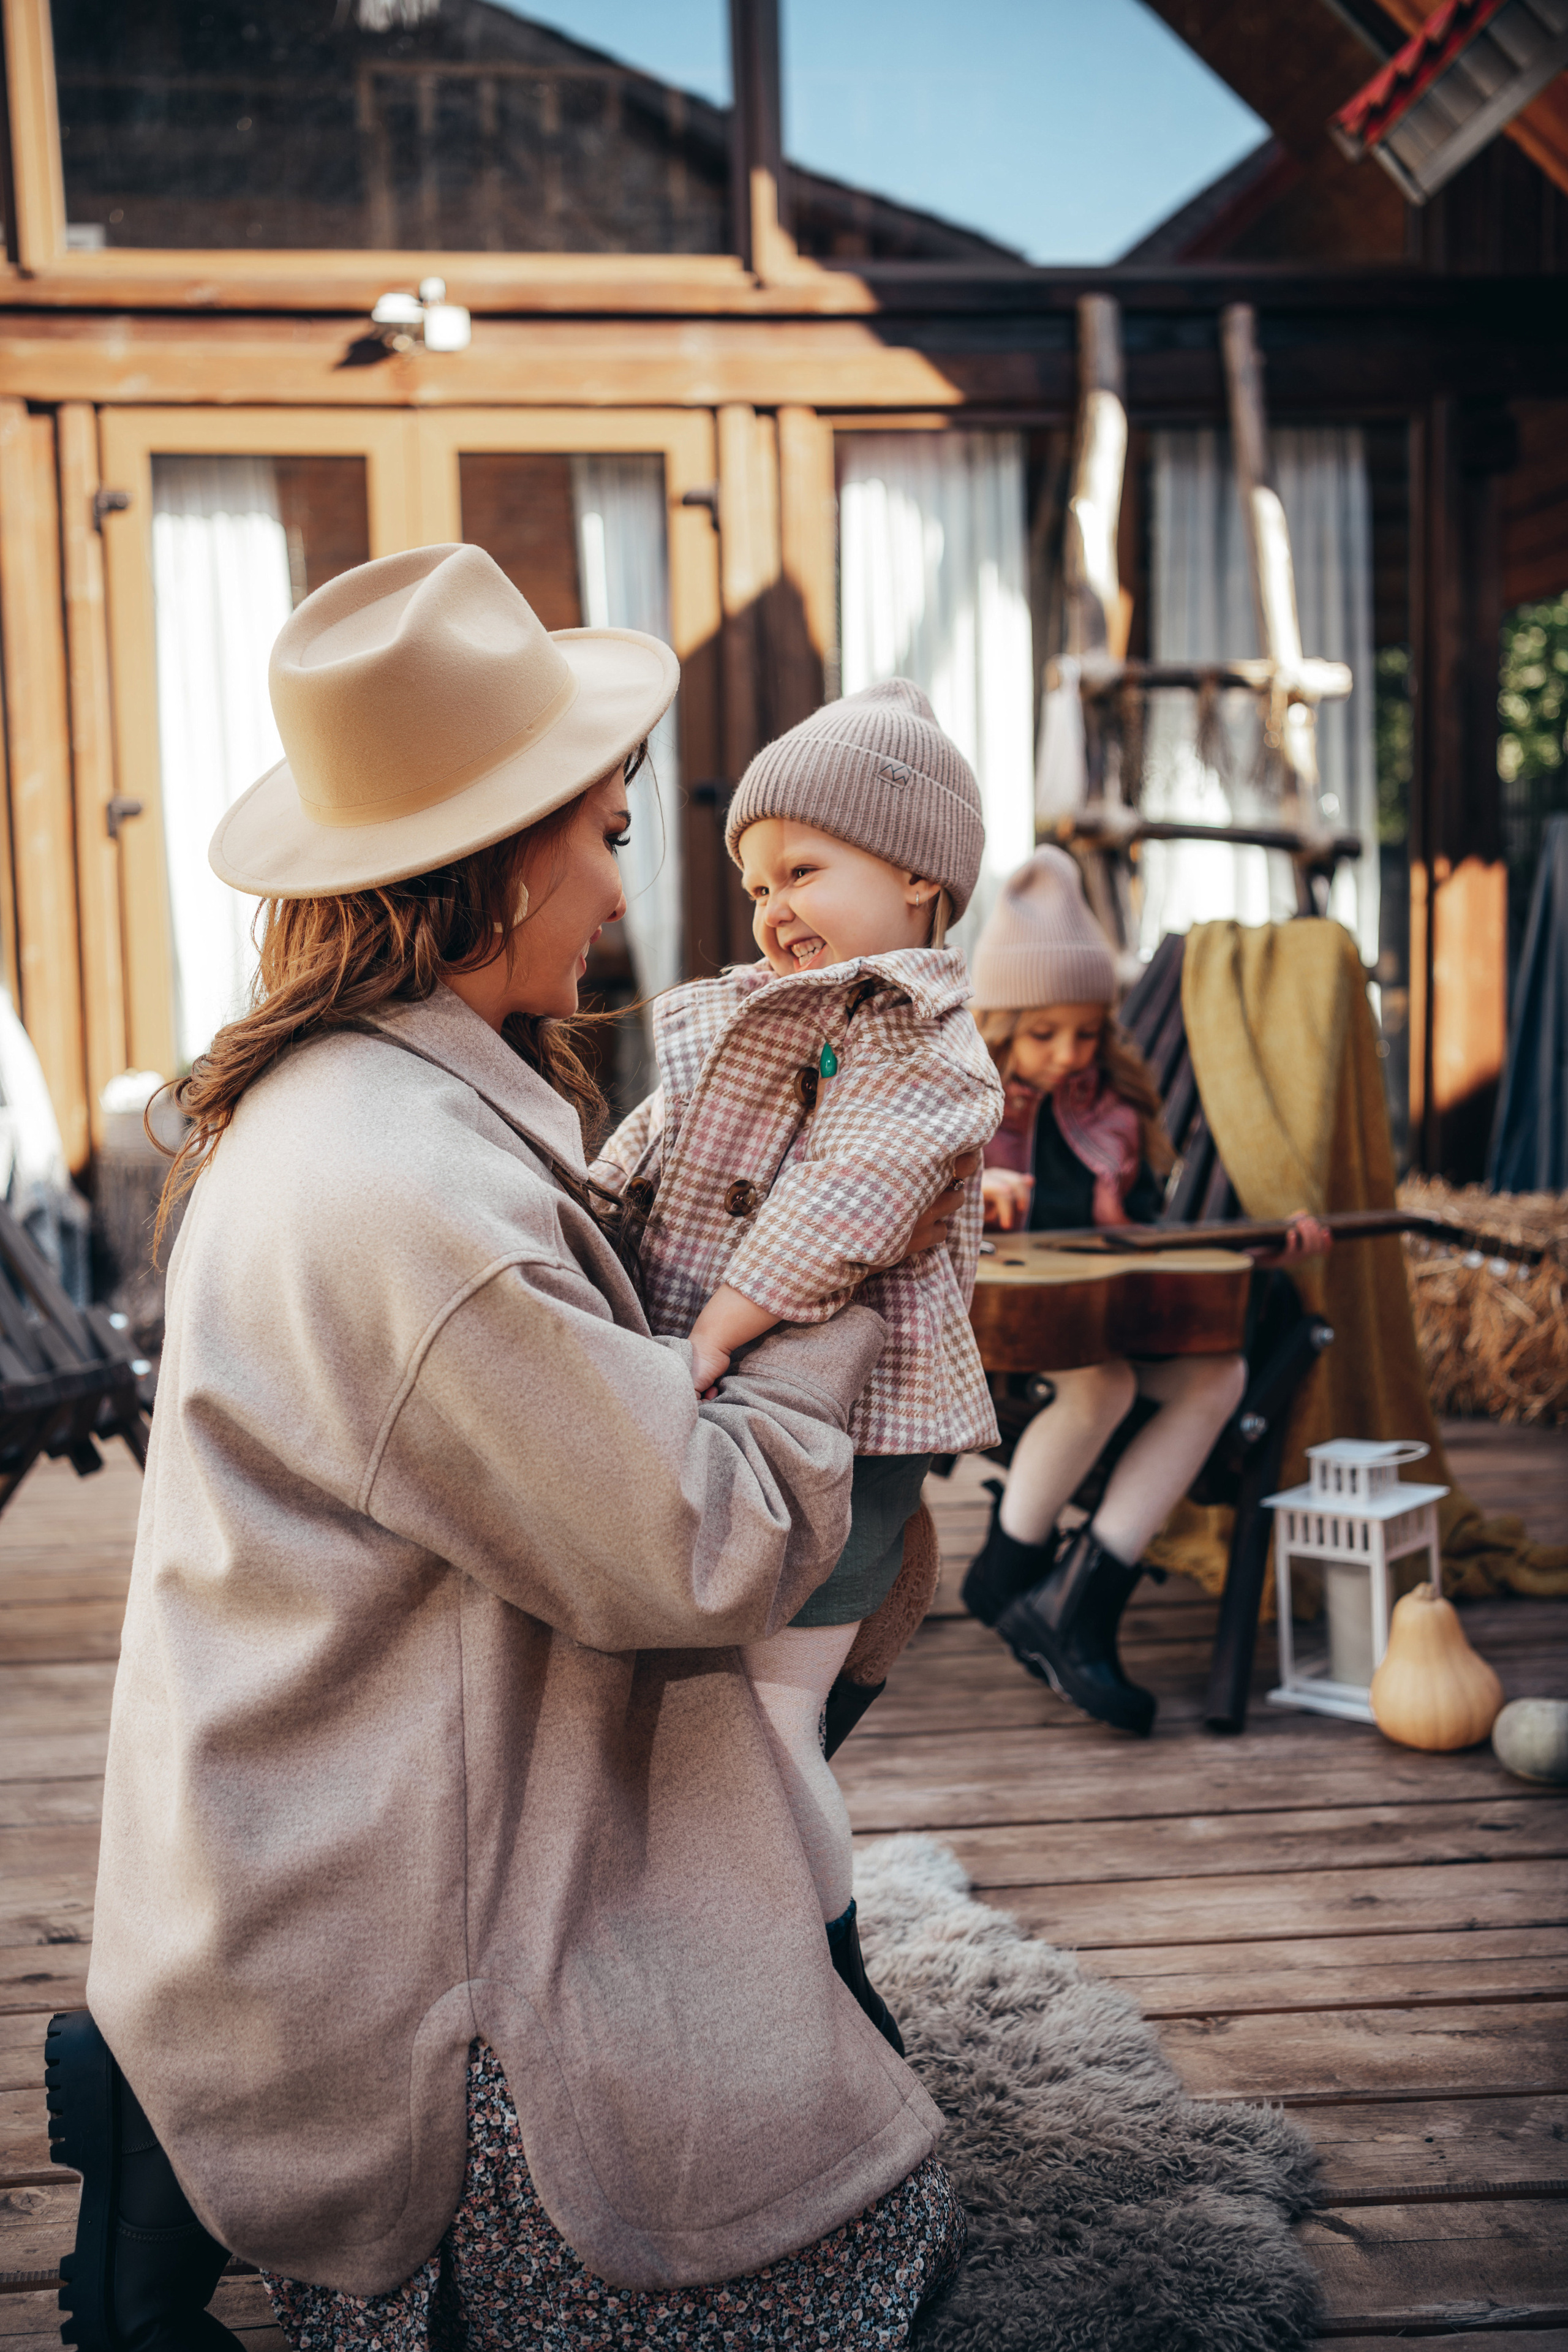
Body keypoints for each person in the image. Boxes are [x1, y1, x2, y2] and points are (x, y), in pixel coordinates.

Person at [53, 545, 968, 2352]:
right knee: (861, 2266)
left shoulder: (364, 1095)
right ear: (493, 866)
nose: (625, 903)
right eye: (611, 843)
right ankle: (214, 2128)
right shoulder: (411, 1193)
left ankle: (144, 2090)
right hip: (392, 1881)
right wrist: (842, 1302)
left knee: (797, 1864)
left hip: (324, 1764)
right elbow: (683, 1546)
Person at [590, 682, 1003, 2052]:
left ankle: (835, 2000)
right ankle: (740, 1929)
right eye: (757, 880)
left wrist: (714, 1328)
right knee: (738, 1717)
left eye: (805, 869)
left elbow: (853, 1195)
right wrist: (581, 1211)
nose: (772, 905)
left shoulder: (924, 1041)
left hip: (846, 1434)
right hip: (734, 1413)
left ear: (919, 878)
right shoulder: (758, 1013)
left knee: (773, 1724)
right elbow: (656, 1141)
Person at [959, 847, 1326, 1736]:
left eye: (1086, 1033)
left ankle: (1081, 1599)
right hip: (998, 1330)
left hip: (1104, 1319)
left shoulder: (1114, 1109)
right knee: (1109, 1382)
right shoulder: (958, 1100)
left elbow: (1151, 1238)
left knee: (1220, 1379)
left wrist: (1256, 1250)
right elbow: (888, 1198)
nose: (1068, 1055)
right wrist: (967, 1190)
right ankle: (1010, 1570)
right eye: (1043, 1035)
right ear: (999, 1022)